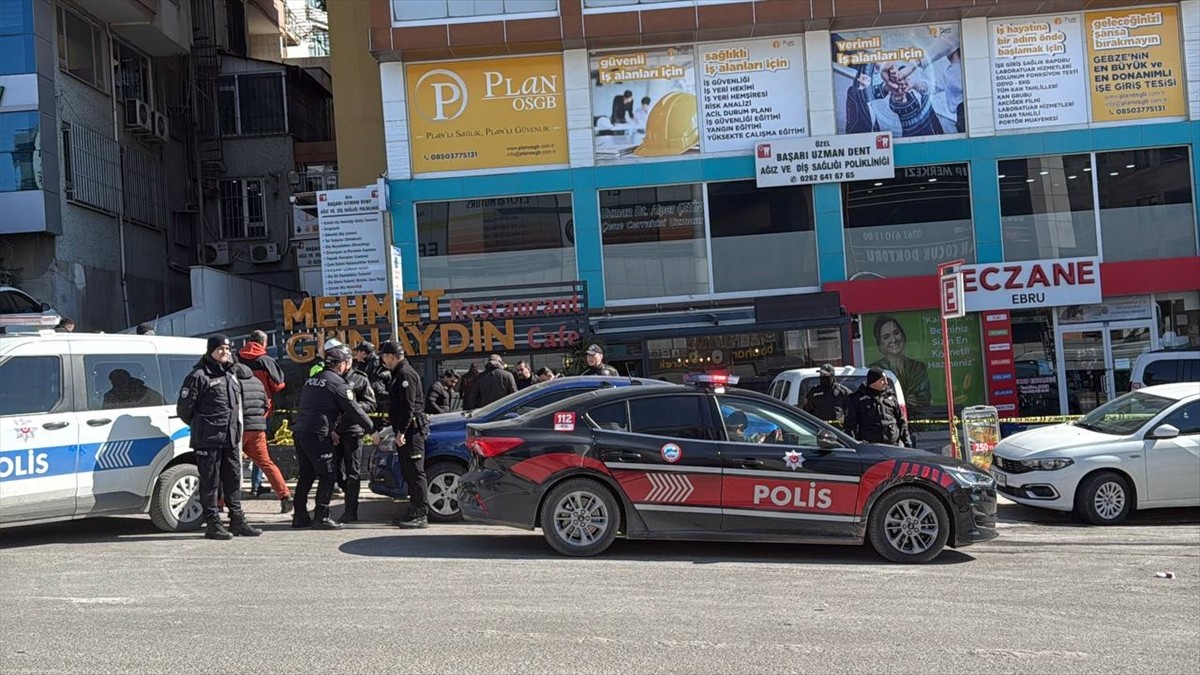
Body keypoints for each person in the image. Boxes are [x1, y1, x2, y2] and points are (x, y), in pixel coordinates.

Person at [177, 335, 261, 540]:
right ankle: (213, 523)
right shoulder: (198, 376)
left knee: (233, 479)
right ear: (210, 351)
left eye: (227, 348)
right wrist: (203, 426)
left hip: (231, 437)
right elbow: (184, 410)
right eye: (220, 349)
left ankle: (237, 520)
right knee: (210, 482)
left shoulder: (230, 374)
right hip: (209, 439)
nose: (225, 352)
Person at [291, 346, 371, 529]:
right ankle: (322, 516)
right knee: (328, 475)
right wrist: (372, 429)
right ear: (341, 364)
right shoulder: (337, 382)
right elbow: (355, 410)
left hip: (301, 432)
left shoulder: (313, 380)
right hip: (317, 435)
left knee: (306, 475)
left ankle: (300, 516)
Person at [377, 341, 430, 529]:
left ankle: (421, 513)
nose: (383, 360)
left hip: (411, 432)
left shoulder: (405, 374)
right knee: (408, 472)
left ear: (392, 356)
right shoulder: (398, 373)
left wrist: (401, 432)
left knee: (416, 473)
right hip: (407, 431)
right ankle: (414, 508)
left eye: (384, 357)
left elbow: (408, 407)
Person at [232, 362, 293, 514]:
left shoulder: (233, 383)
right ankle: (285, 496)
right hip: (258, 428)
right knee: (266, 463)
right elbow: (266, 405)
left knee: (229, 465)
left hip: (239, 429)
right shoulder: (257, 382)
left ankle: (221, 502)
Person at [332, 355, 376, 523]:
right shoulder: (331, 377)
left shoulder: (360, 378)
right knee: (332, 469)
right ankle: (344, 488)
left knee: (353, 471)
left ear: (348, 363)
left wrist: (352, 406)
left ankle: (351, 511)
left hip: (352, 430)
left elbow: (371, 403)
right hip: (334, 431)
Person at [869, 315, 931, 413]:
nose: (893, 339)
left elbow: (925, 397)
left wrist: (915, 401)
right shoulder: (874, 370)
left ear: (903, 335)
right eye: (886, 337)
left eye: (896, 333)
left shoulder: (918, 367)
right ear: (880, 344)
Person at [844, 367, 912, 447]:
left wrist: (907, 442)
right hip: (871, 448)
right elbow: (850, 426)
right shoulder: (858, 399)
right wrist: (854, 447)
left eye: (886, 379)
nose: (886, 383)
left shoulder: (890, 397)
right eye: (882, 380)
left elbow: (902, 422)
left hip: (893, 446)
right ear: (873, 382)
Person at [353, 341, 392, 413]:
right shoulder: (364, 364)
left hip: (379, 406)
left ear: (363, 353)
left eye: (357, 352)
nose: (356, 355)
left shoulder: (375, 365)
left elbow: (376, 389)